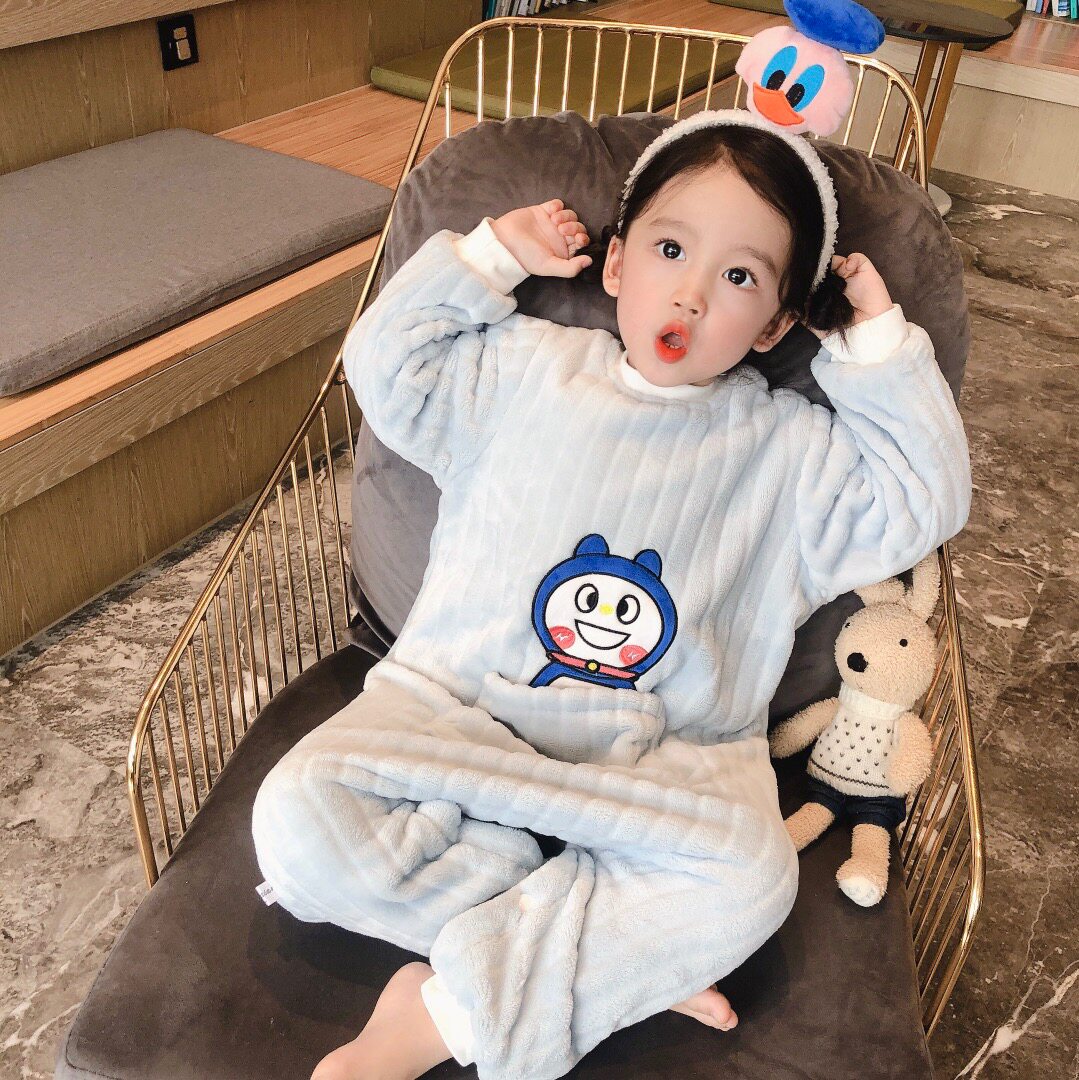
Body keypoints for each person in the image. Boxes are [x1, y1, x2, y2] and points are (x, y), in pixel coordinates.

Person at [250, 109, 971, 1080]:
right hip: (455, 719)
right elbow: (387, 364)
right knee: (295, 820)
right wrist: (492, 255)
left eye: (741, 278)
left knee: (750, 885)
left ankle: (446, 1010)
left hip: (662, 766)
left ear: (777, 325)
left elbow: (921, 501)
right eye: (671, 251)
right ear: (619, 264)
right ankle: (597, 951)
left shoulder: (792, 453)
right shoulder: (521, 368)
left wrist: (874, 343)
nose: (693, 293)